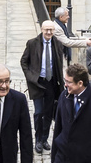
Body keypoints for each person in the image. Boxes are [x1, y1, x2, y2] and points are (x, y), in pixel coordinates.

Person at [21, 20, 67, 154]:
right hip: (37, 82)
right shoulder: (32, 43)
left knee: (48, 113)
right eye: (46, 30)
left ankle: (45, 138)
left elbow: (59, 63)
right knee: (38, 112)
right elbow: (24, 61)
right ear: (41, 29)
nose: (48, 32)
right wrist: (30, 77)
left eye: (51, 30)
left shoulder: (57, 43)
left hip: (51, 82)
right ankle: (38, 140)